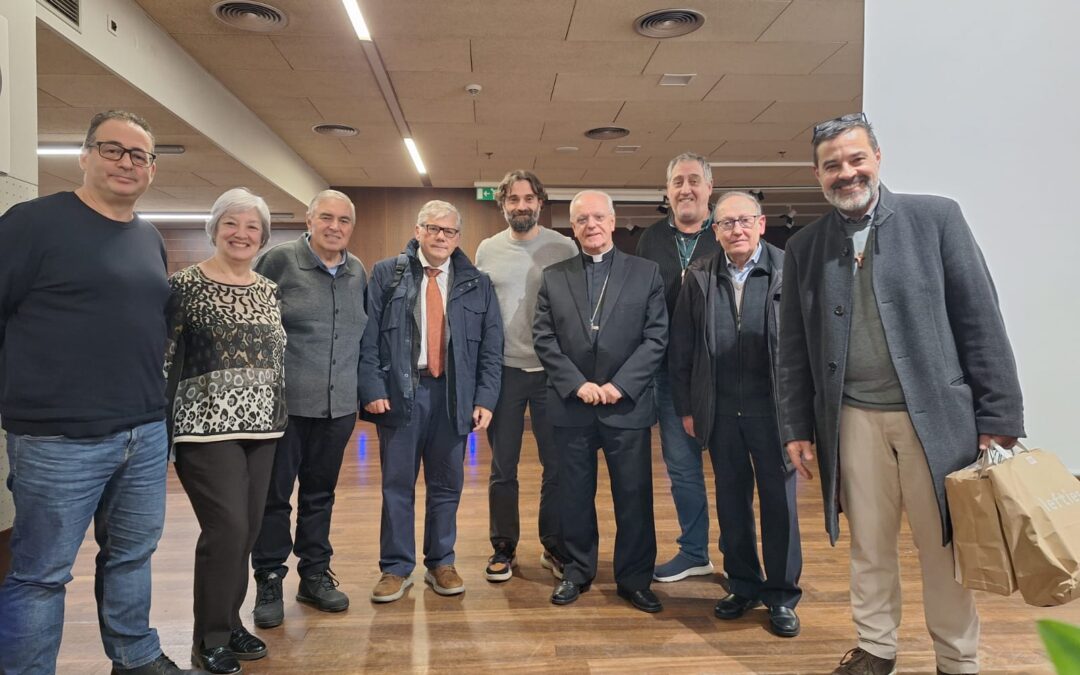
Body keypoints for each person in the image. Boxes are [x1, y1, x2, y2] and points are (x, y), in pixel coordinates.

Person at [777, 113, 1025, 675]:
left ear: (878, 158)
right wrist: (795, 426)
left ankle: (957, 660)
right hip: (851, 420)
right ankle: (875, 648)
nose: (846, 173)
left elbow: (980, 319)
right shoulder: (806, 246)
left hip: (936, 421)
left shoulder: (936, 219)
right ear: (817, 175)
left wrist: (999, 415)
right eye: (832, 165)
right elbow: (792, 347)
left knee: (944, 547)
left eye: (855, 159)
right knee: (868, 545)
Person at [0, 110, 198, 674]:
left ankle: (135, 657)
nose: (126, 163)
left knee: (133, 555)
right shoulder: (33, 224)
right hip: (59, 437)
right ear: (85, 156)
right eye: (113, 149)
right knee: (41, 573)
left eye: (139, 155)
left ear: (152, 169)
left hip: (143, 430)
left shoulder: (147, 238)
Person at [164, 188, 287, 674]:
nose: (242, 233)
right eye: (232, 223)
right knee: (227, 527)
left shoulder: (267, 289)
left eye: (252, 226)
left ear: (263, 236)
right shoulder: (184, 285)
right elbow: (164, 358)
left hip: (264, 427)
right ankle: (208, 638)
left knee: (248, 530)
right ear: (214, 229)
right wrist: (158, 427)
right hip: (204, 427)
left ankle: (230, 621)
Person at [669, 191, 802, 638]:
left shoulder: (789, 270)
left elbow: (807, 344)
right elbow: (682, 347)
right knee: (731, 501)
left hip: (775, 411)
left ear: (761, 224)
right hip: (721, 409)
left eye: (744, 221)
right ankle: (743, 585)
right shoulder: (700, 276)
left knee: (780, 505)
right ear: (716, 231)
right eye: (727, 223)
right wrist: (688, 407)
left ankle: (781, 595)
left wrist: (803, 414)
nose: (736, 230)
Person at [360, 200, 503, 603]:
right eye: (433, 228)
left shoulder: (477, 282)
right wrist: (372, 388)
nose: (441, 237)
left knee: (446, 484)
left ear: (458, 237)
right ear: (418, 231)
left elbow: (491, 347)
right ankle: (395, 567)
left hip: (453, 396)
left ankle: (441, 562)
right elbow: (367, 337)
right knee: (397, 485)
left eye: (449, 231)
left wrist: (485, 397)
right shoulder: (387, 274)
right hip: (401, 393)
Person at [533, 190, 667, 613]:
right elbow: (544, 338)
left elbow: (656, 337)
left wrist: (619, 385)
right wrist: (577, 384)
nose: (590, 225)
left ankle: (635, 579)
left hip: (625, 404)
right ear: (572, 228)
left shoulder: (646, 273)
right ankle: (576, 571)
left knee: (634, 496)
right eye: (581, 219)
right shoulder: (554, 276)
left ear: (612, 221)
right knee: (573, 494)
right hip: (572, 405)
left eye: (597, 217)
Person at [250, 189, 367, 627]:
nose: (335, 227)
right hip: (285, 406)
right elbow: (253, 326)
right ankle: (268, 577)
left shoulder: (357, 271)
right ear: (309, 220)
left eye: (344, 220)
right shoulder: (278, 261)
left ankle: (314, 574)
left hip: (337, 408)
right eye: (326, 218)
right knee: (274, 497)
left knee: (320, 495)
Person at [475, 170, 579, 583]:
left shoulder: (563, 247)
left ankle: (553, 544)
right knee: (504, 468)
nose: (521, 206)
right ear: (502, 204)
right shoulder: (487, 250)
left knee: (557, 467)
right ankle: (503, 546)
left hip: (553, 372)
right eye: (513, 199)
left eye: (529, 198)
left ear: (540, 202)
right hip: (505, 372)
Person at [635, 152, 722, 583]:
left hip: (720, 374)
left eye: (693, 180)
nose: (685, 189)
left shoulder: (727, 231)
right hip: (669, 374)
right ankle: (694, 551)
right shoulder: (650, 239)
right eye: (677, 182)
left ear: (709, 188)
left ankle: (741, 559)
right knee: (683, 469)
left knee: (731, 470)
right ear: (667, 192)